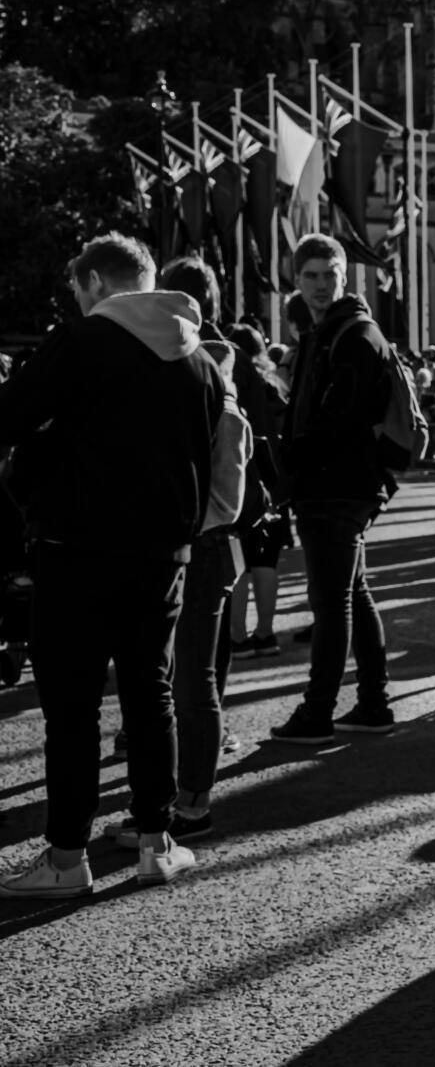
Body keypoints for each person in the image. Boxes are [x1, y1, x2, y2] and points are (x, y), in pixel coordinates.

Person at [0, 234, 243, 897]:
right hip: (164, 551)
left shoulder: (80, 342)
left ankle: (66, 855)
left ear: (98, 285)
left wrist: (32, 475)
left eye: (79, 290)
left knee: (72, 708)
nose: (76, 302)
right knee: (151, 694)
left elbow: (9, 416)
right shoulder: (200, 361)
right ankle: (156, 839)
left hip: (75, 547)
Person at [124, 256, 247, 845]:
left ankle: (191, 805)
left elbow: (226, 489)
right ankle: (176, 798)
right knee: (180, 677)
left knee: (191, 679)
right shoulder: (207, 371)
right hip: (200, 540)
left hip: (202, 541)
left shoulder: (206, 378)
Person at [269, 234, 399, 745]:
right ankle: (373, 703)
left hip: (336, 485)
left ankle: (318, 710)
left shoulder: (355, 334)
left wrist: (293, 468)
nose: (321, 285)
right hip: (340, 483)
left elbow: (338, 420)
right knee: (354, 595)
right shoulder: (332, 330)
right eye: (311, 276)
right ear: (297, 280)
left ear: (345, 275)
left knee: (331, 602)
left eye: (329, 274)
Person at [226, 324, 288, 657]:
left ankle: (238, 636)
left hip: (239, 481)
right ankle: (266, 633)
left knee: (240, 564)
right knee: (267, 562)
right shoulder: (271, 385)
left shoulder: (227, 382)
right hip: (273, 481)